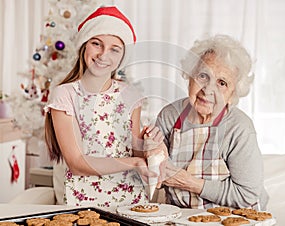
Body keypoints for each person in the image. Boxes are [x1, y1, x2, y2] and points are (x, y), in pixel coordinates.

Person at [44, 6, 162, 207]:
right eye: (96, 44)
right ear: (84, 46)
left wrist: (149, 144)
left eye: (114, 49)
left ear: (122, 56)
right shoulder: (65, 95)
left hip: (131, 203)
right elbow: (78, 163)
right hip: (85, 203)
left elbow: (137, 154)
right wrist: (133, 163)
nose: (103, 55)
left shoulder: (131, 95)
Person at [155, 34, 269, 210]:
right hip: (180, 219)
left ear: (233, 94)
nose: (208, 89)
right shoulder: (169, 116)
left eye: (222, 83)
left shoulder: (239, 128)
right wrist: (150, 153)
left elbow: (246, 195)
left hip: (232, 218)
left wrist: (190, 183)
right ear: (190, 75)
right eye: (203, 76)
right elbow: (153, 176)